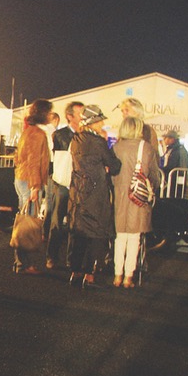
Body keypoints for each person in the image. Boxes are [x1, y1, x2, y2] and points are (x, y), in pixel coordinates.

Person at [68, 105, 121, 288]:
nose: (103, 124)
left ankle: (75, 271)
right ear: (93, 123)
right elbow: (114, 166)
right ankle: (89, 275)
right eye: (100, 121)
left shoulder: (76, 139)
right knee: (96, 233)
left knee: (80, 233)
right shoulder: (98, 142)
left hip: (78, 192)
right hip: (96, 193)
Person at [111, 117, 162, 288]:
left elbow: (111, 174)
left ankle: (117, 275)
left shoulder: (116, 148)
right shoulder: (146, 148)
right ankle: (128, 277)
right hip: (138, 198)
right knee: (134, 239)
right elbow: (154, 175)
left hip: (119, 196)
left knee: (119, 238)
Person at [12, 99, 53, 274]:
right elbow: (34, 161)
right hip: (30, 180)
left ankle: (20, 261)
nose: (51, 115)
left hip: (21, 177)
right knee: (28, 223)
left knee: (23, 219)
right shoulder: (37, 134)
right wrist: (36, 186)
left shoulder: (27, 132)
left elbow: (18, 157)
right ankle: (25, 263)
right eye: (50, 112)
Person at [46, 101, 84, 270]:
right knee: (57, 220)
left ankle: (71, 259)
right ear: (70, 116)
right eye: (80, 113)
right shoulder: (61, 135)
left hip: (78, 185)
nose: (83, 116)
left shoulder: (86, 135)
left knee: (75, 223)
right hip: (62, 182)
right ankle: (51, 256)